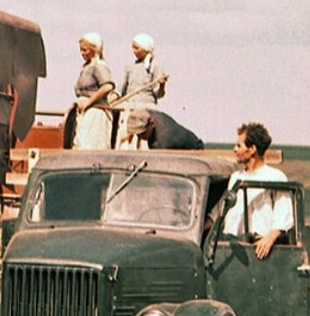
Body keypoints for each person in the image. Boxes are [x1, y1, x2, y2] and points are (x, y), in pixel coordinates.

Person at [217, 122, 294, 260]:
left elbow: (284, 214)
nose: (234, 149)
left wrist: (269, 239)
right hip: (233, 247)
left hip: (260, 249)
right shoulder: (236, 177)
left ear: (252, 149)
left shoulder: (275, 177)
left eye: (239, 145)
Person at [116, 33, 168, 148]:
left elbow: (158, 94)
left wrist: (162, 85)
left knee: (142, 142)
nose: (133, 51)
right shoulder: (129, 67)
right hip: (129, 109)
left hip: (146, 110)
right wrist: (113, 98)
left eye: (136, 48)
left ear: (145, 48)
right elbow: (120, 90)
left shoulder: (155, 66)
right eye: (132, 48)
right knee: (125, 142)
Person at [72, 32, 115, 149]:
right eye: (81, 50)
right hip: (85, 112)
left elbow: (107, 86)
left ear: (94, 49)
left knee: (90, 145)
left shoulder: (99, 66)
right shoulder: (86, 67)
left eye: (85, 50)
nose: (82, 53)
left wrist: (89, 102)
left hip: (95, 112)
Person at [124, 109, 204, 150]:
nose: (139, 137)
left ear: (152, 124)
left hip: (194, 151)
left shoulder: (162, 141)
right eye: (137, 134)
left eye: (142, 133)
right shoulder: (147, 114)